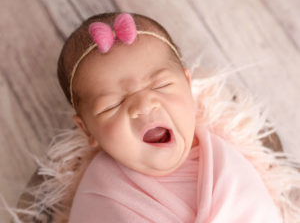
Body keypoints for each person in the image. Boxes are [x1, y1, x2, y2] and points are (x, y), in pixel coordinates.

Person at [54, 12, 286, 222]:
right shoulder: (99, 193)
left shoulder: (227, 164)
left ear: (188, 85)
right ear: (87, 130)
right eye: (113, 104)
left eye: (161, 85)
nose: (144, 105)